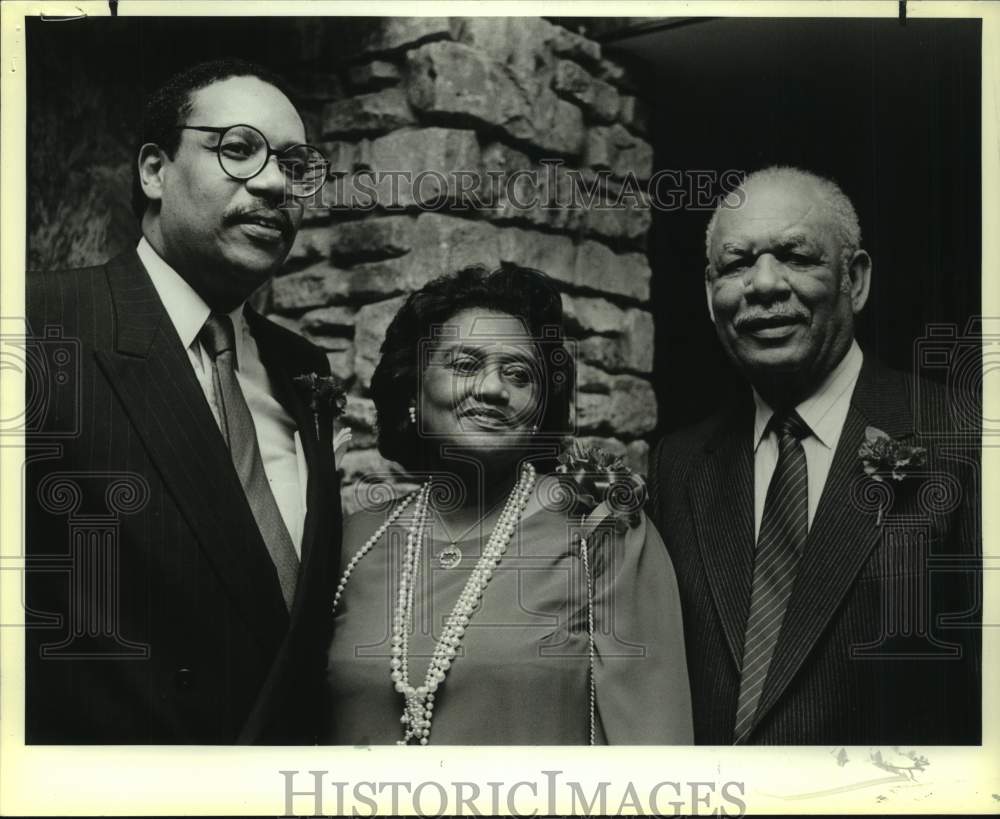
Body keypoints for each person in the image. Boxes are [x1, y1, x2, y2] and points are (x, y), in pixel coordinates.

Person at [25, 59, 340, 743]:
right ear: (153, 171)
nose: (275, 183)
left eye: (295, 165)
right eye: (239, 149)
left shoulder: (302, 369)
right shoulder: (42, 325)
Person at [649, 166, 981, 745]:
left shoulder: (961, 439)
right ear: (709, 294)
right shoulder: (678, 465)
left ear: (856, 279)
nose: (763, 284)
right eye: (736, 264)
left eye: (795, 256)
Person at [325, 265, 692, 745]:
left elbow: (655, 758)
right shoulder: (356, 541)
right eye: (464, 365)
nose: (494, 389)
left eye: (519, 375)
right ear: (413, 387)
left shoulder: (601, 532)